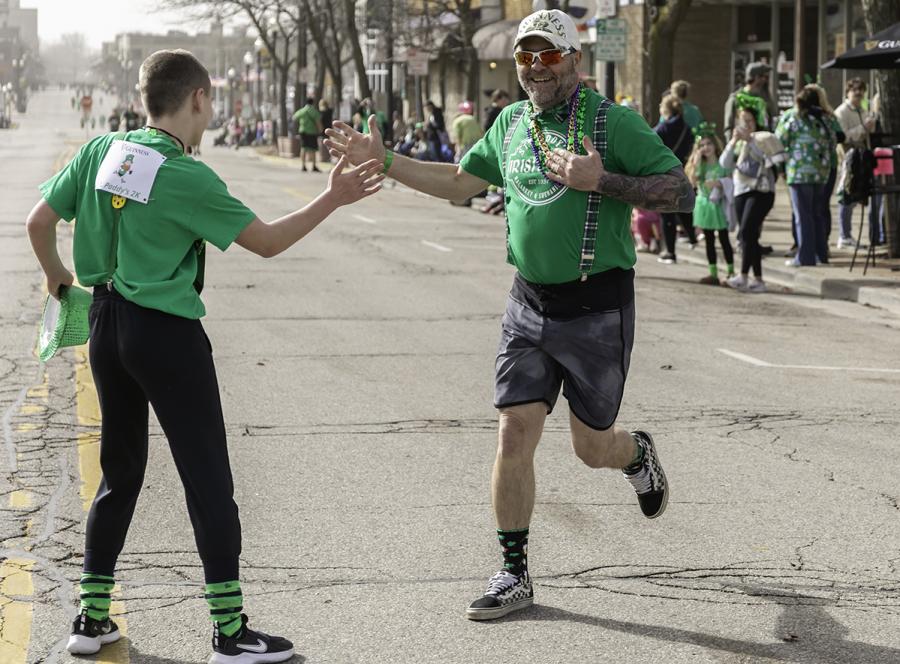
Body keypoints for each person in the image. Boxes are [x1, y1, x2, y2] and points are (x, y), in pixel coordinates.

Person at [326, 8, 691, 621]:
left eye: (546, 55)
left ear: (573, 58)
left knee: (591, 447)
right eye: (524, 57)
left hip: (596, 304)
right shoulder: (511, 123)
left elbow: (682, 190)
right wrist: (384, 162)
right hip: (528, 302)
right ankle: (514, 573)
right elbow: (457, 182)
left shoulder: (612, 123)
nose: (533, 67)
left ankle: (637, 456)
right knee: (514, 430)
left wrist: (604, 181)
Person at [26, 49, 383, 662]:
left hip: (107, 323)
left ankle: (90, 618)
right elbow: (267, 242)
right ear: (199, 98)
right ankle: (229, 631)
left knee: (121, 472)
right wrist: (334, 197)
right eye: (211, 101)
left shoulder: (98, 152)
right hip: (165, 331)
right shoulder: (186, 175)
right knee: (207, 479)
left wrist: (63, 283)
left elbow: (39, 222)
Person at [720, 106, 784, 292]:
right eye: (742, 121)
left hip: (761, 191)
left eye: (749, 121)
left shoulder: (763, 138)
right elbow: (724, 163)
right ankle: (758, 279)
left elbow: (772, 161)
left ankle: (743, 275)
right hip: (741, 190)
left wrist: (750, 140)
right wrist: (733, 141)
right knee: (750, 235)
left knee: (746, 232)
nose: (746, 125)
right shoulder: (738, 142)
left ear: (755, 122)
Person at [776, 86, 834, 267]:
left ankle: (805, 257)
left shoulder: (793, 118)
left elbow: (779, 140)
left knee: (803, 216)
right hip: (821, 173)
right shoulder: (825, 119)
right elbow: (833, 143)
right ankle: (821, 255)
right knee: (818, 213)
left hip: (799, 172)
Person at [686, 123, 733, 285]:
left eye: (709, 144)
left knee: (724, 238)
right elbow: (692, 181)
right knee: (709, 240)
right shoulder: (701, 164)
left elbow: (731, 180)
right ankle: (713, 273)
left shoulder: (722, 163)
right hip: (704, 205)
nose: (706, 148)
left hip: (718, 205)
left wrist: (720, 183)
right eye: (702, 145)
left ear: (715, 144)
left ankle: (731, 272)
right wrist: (697, 162)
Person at [834, 78, 877, 249]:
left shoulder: (862, 109)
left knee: (857, 195)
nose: (858, 94)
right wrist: (863, 128)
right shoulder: (842, 112)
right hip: (849, 159)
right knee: (847, 196)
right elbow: (843, 136)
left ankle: (850, 235)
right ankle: (844, 236)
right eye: (855, 91)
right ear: (848, 92)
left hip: (863, 159)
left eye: (861, 91)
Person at [655, 93, 696, 263]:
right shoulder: (687, 128)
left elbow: (652, 144)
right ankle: (692, 236)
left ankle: (670, 252)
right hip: (682, 171)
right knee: (683, 206)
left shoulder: (663, 128)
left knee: (667, 214)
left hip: (665, 172)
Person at [723, 62, 777, 140]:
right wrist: (732, 146)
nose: (766, 80)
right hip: (741, 145)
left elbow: (772, 121)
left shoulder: (764, 98)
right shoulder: (735, 99)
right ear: (756, 77)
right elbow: (728, 127)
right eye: (764, 77)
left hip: (761, 145)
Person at [292, 97, 322, 172]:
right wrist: (320, 129)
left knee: (303, 148)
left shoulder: (302, 111)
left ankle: (303, 165)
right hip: (312, 132)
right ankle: (314, 165)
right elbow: (318, 122)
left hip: (303, 131)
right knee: (313, 149)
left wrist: (302, 122)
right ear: (313, 103)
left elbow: (294, 117)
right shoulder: (314, 111)